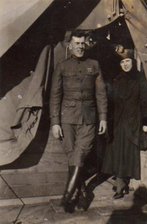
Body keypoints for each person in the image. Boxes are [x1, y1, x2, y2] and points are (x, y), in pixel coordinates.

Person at [50, 30, 107, 212]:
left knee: (80, 154)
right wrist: (55, 122)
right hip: (67, 119)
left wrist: (103, 117)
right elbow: (55, 96)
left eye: (83, 43)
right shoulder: (62, 66)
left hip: (89, 118)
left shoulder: (94, 65)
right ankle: (82, 192)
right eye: (77, 43)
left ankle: (66, 198)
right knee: (73, 156)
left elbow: (101, 94)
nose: (81, 46)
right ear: (70, 45)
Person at [101, 46, 147, 199]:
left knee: (127, 154)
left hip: (133, 122)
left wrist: (146, 121)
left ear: (133, 62)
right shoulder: (116, 79)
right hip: (118, 121)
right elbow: (110, 101)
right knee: (118, 153)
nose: (125, 65)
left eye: (128, 61)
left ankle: (121, 186)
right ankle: (122, 184)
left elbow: (145, 101)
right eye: (122, 63)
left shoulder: (140, 78)